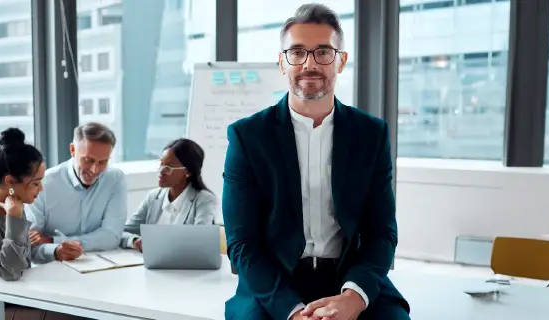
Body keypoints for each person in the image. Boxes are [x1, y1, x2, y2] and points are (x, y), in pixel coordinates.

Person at [222, 3, 410, 320]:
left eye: (323, 52)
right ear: (282, 62)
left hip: (348, 277)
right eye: (297, 52)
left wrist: (353, 298)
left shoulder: (371, 134)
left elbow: (382, 232)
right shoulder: (248, 137)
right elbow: (242, 243)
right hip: (275, 281)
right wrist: (293, 312)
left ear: (341, 61)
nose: (309, 64)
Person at [0, 128, 83, 320]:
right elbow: (10, 271)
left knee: (77, 307)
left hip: (13, 298)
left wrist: (56, 252)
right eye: (35, 182)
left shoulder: (16, 207)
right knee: (71, 317)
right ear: (10, 182)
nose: (41, 188)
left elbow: (23, 257)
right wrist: (14, 219)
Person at [26, 122, 127, 263]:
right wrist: (56, 251)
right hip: (54, 269)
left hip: (104, 266)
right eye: (88, 160)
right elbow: (31, 243)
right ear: (73, 150)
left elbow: (111, 236)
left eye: (103, 162)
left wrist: (54, 240)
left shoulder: (115, 179)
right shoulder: (43, 183)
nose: (94, 170)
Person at [120, 138, 216, 251]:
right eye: (161, 164)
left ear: (188, 172)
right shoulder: (153, 197)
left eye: (168, 167)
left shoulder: (204, 200)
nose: (161, 171)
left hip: (183, 266)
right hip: (150, 264)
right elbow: (122, 232)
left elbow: (200, 240)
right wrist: (135, 241)